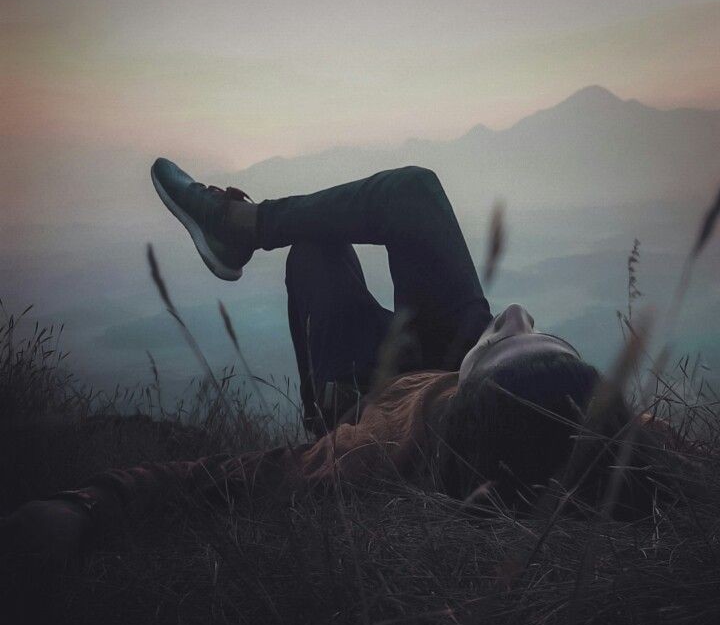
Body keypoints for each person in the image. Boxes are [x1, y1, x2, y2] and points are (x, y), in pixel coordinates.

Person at [1, 161, 682, 568]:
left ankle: (311, 385)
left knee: (318, 252)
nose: (514, 315)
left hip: (369, 387)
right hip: (455, 366)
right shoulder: (611, 443)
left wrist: (89, 505)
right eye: (537, 335)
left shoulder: (373, 451)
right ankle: (240, 228)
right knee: (414, 190)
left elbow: (228, 479)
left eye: (508, 340)